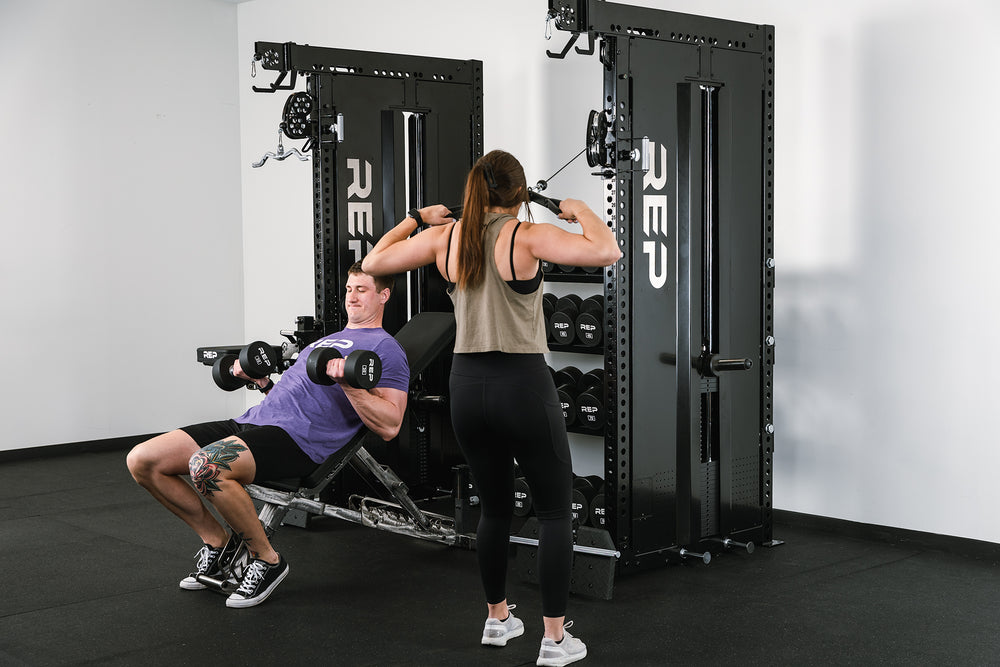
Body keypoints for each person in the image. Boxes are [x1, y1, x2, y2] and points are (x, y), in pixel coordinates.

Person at [362, 150, 621, 666]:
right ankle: (553, 639)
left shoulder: (446, 238)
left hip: (467, 386)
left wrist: (416, 219)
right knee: (551, 512)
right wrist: (577, 208)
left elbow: (372, 263)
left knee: (495, 509)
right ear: (519, 193)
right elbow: (606, 250)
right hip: (521, 384)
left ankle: (497, 619)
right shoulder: (525, 237)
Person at [126, 262, 409, 608]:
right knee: (142, 460)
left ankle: (266, 560)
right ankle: (217, 544)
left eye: (361, 290)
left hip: (299, 440)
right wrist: (259, 381)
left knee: (207, 466)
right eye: (349, 289)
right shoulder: (327, 340)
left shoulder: (387, 349)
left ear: (384, 295)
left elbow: (391, 424)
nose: (351, 297)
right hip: (253, 421)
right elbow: (294, 393)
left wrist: (349, 384)